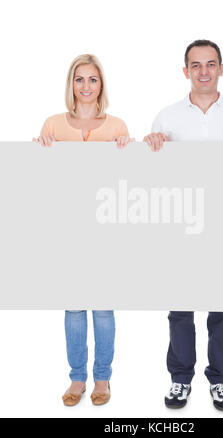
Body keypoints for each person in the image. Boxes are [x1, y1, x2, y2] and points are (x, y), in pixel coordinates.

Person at [143, 40, 223, 411]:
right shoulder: (166, 117)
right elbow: (150, 176)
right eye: (196, 65)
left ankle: (219, 380)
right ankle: (180, 379)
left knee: (222, 308)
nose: (204, 72)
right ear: (186, 72)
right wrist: (151, 144)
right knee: (180, 308)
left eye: (210, 64)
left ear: (221, 69)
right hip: (180, 226)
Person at [33, 54, 133, 406]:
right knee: (74, 308)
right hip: (67, 233)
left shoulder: (117, 126)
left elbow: (130, 185)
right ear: (71, 84)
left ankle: (102, 378)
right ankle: (77, 378)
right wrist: (39, 152)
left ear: (101, 84)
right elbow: (40, 182)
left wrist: (127, 151)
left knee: (103, 308)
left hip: (106, 233)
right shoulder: (53, 125)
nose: (86, 86)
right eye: (79, 79)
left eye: (92, 79)